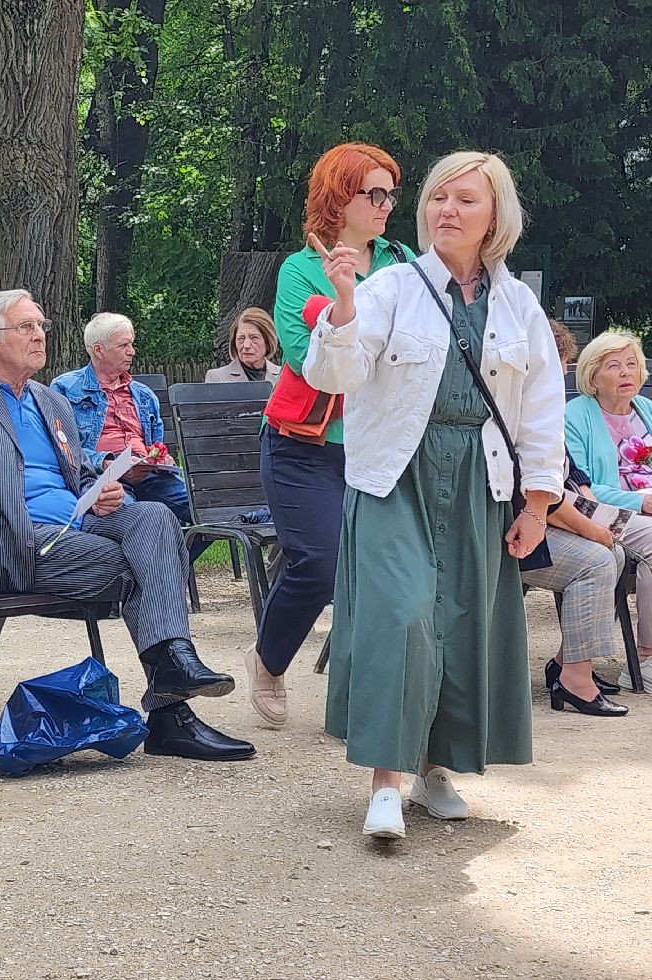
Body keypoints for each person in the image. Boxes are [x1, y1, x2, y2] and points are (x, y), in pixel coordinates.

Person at [303, 151, 563, 841]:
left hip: (480, 479)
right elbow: (335, 375)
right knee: (404, 614)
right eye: (439, 198)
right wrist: (346, 304)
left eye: (465, 200)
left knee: (459, 620)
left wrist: (537, 505)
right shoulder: (392, 287)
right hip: (397, 476)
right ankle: (385, 781)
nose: (447, 210)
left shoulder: (517, 304)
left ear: (494, 217)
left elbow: (540, 409)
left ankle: (435, 769)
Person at [0, 289, 254, 762]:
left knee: (153, 516)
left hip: (78, 530)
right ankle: (172, 707)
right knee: (149, 564)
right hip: (9, 545)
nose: (39, 334)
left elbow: (79, 475)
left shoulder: (52, 403)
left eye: (41, 325)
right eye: (26, 327)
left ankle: (173, 676)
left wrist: (103, 491)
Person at [245, 142, 416, 731]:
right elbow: (299, 352)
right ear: (340, 197)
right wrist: (346, 310)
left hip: (381, 446)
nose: (387, 203)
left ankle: (355, 701)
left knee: (378, 572)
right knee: (319, 563)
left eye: (391, 191)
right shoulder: (300, 269)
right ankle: (268, 661)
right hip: (302, 446)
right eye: (375, 192)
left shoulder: (402, 261)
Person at [520, 323, 627, 716]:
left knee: (613, 556)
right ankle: (575, 684)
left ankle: (569, 665)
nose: (561, 376)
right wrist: (593, 529)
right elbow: (538, 493)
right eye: (555, 365)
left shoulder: (540, 406)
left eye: (563, 365)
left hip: (544, 519)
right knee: (597, 561)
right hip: (508, 532)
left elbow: (569, 471)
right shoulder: (515, 408)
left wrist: (589, 503)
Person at [49, 313, 208, 558]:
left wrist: (160, 460)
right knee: (145, 521)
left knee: (210, 508)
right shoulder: (64, 388)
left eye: (131, 344)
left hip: (150, 477)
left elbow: (155, 444)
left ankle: (172, 570)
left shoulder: (143, 394)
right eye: (124, 345)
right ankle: (160, 576)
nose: (132, 351)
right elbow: (63, 448)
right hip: (103, 479)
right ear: (99, 350)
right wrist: (105, 462)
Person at [563, 330, 652, 688]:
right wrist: (640, 500)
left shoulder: (646, 409)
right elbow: (579, 485)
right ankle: (645, 657)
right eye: (613, 366)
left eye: (632, 364)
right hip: (604, 513)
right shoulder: (576, 414)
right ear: (593, 376)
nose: (626, 373)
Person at [204, 307, 283, 383]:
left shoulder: (282, 376)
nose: (246, 345)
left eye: (254, 338)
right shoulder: (217, 378)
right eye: (241, 338)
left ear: (268, 342)